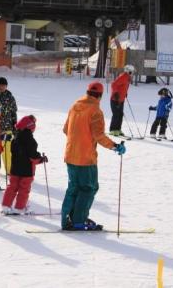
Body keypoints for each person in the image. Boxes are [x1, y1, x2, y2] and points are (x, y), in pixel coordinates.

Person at [61, 82, 126, 231]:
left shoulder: (75, 106)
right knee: (88, 188)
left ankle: (67, 219)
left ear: (87, 92)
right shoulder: (95, 110)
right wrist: (115, 146)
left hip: (70, 155)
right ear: (101, 96)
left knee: (73, 188)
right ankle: (79, 220)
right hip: (86, 159)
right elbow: (99, 135)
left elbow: (66, 129)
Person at [1, 115, 45, 214]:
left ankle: (5, 206)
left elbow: (15, 152)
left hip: (15, 169)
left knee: (12, 187)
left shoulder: (15, 140)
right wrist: (41, 159)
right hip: (27, 171)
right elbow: (33, 157)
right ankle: (19, 208)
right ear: (31, 127)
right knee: (24, 189)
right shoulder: (31, 141)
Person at [109, 64, 134, 136]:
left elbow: (123, 87)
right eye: (131, 72)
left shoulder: (127, 78)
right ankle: (113, 130)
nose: (132, 73)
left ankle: (118, 129)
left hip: (121, 99)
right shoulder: (123, 76)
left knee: (120, 114)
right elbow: (114, 84)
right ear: (128, 71)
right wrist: (116, 93)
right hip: (115, 99)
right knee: (116, 114)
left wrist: (125, 93)